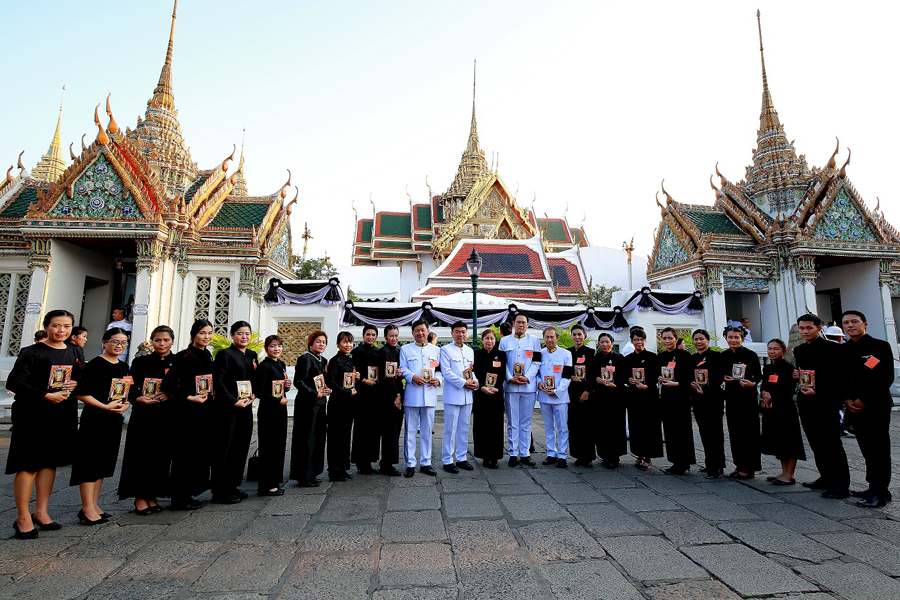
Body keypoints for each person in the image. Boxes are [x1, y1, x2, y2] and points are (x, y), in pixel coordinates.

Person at [6, 309, 80, 539]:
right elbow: (15, 382)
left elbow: (78, 376)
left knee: (50, 463)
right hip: (33, 413)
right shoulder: (32, 352)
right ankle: (22, 517)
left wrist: (75, 383)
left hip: (61, 413)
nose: (61, 331)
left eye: (67, 326)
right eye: (56, 325)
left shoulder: (74, 350)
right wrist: (44, 395)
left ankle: (41, 511)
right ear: (47, 327)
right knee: (28, 464)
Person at [70, 327, 131, 524]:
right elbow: (80, 392)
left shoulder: (123, 367)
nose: (119, 346)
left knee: (103, 463)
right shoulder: (95, 364)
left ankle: (94, 504)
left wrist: (126, 405)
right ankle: (87, 508)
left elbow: (126, 394)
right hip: (95, 420)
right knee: (90, 462)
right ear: (104, 342)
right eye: (115, 342)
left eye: (123, 343)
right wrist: (104, 406)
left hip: (113, 420)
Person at [118, 325, 176, 514]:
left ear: (172, 341)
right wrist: (136, 398)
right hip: (144, 415)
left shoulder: (176, 362)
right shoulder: (141, 362)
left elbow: (183, 386)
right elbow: (129, 386)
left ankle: (152, 495)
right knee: (141, 455)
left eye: (166, 340)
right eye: (157, 340)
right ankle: (139, 497)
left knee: (160, 456)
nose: (162, 343)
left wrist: (170, 395)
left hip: (166, 415)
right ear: (152, 341)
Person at [840, 310, 894, 507]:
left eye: (855, 321)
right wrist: (846, 399)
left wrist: (865, 399)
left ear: (865, 324)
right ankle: (874, 486)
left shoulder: (879, 347)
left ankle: (880, 491)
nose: (850, 325)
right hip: (854, 406)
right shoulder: (843, 350)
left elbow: (885, 376)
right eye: (846, 323)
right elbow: (842, 378)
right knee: (866, 448)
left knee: (879, 448)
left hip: (876, 404)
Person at [793, 313, 850, 498]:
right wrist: (798, 376)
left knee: (831, 443)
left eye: (809, 328)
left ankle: (841, 484)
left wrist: (819, 390)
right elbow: (805, 375)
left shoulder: (833, 349)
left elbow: (839, 377)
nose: (805, 331)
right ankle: (826, 477)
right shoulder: (800, 350)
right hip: (806, 401)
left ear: (819, 327)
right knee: (816, 442)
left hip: (826, 402)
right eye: (802, 328)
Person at [163, 319, 215, 510]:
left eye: (209, 333)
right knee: (183, 455)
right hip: (186, 412)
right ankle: (179, 497)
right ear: (194, 334)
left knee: (197, 455)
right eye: (203, 333)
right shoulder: (183, 357)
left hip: (204, 411)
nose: (207, 337)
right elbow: (168, 385)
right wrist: (188, 397)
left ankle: (189, 493)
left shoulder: (207, 354)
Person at [210, 321, 257, 503]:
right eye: (240, 333)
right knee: (226, 447)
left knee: (241, 446)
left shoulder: (252, 355)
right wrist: (233, 400)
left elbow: (254, 379)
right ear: (232, 335)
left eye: (247, 333)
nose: (244, 337)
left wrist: (253, 394)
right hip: (228, 409)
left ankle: (233, 485)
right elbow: (219, 382)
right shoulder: (225, 355)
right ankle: (220, 490)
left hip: (245, 406)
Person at [400, 319, 442, 477]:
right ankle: (410, 463)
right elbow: (402, 368)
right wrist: (412, 377)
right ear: (412, 333)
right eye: (417, 330)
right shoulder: (405, 349)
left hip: (429, 394)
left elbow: (439, 370)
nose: (420, 333)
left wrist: (438, 379)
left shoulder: (436, 350)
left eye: (423, 330)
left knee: (426, 431)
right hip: (412, 394)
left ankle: (426, 462)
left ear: (427, 331)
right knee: (410, 430)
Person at [760, 338, 804, 486]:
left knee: (788, 441)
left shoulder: (788, 369)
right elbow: (764, 384)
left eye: (776, 349)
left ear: (784, 351)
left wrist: (773, 396)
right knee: (778, 441)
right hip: (771, 409)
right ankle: (783, 471)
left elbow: (789, 389)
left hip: (784, 408)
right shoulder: (767, 368)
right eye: (770, 349)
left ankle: (790, 474)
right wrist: (764, 394)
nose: (772, 352)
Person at [720, 325, 762, 479]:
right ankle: (739, 464)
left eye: (736, 337)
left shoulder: (750, 355)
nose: (733, 340)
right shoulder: (724, 356)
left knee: (748, 432)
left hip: (747, 397)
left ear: (742, 339)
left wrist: (752, 383)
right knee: (735, 431)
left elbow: (757, 375)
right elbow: (720, 374)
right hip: (732, 396)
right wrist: (724, 377)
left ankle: (749, 467)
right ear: (726, 338)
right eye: (730, 337)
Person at [499, 314, 541, 467]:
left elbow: (537, 361)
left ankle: (525, 453)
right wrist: (509, 378)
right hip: (511, 386)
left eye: (524, 322)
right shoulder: (504, 341)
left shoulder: (534, 341)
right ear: (513, 324)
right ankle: (512, 452)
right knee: (512, 422)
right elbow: (501, 363)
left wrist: (528, 377)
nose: (521, 325)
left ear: (528, 324)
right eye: (518, 322)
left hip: (528, 387)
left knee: (526, 421)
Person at [290, 330, 330, 487]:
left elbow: (324, 382)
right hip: (307, 405)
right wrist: (314, 394)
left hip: (321, 404)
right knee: (307, 438)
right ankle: (304, 475)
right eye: (318, 341)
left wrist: (326, 389)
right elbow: (299, 382)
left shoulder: (323, 360)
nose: (321, 344)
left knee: (319, 437)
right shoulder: (305, 359)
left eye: (324, 342)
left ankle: (313, 472)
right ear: (311, 343)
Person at [620, 327, 662, 470]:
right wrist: (629, 379)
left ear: (645, 341)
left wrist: (648, 385)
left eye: (641, 339)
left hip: (649, 397)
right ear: (632, 341)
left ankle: (648, 457)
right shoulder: (627, 359)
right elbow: (623, 376)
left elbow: (658, 376)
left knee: (649, 427)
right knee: (636, 426)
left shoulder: (652, 357)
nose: (639, 342)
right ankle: (639, 453)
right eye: (636, 339)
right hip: (634, 398)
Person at [439, 321, 478, 474]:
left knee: (463, 428)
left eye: (463, 331)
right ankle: (447, 460)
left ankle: (461, 457)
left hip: (467, 396)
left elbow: (471, 370)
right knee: (450, 428)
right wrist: (464, 383)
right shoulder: (445, 350)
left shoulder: (469, 351)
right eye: (457, 331)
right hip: (453, 395)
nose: (460, 334)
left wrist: (475, 382)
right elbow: (447, 373)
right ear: (452, 333)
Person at [657, 327, 696, 475]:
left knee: (682, 431)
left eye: (670, 338)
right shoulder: (661, 357)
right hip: (666, 398)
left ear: (676, 339)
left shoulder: (685, 356)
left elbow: (690, 378)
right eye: (664, 338)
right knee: (670, 431)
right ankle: (674, 461)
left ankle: (684, 462)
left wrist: (678, 383)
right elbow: (658, 374)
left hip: (681, 398)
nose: (667, 341)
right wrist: (660, 378)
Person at [689, 329, 725, 478]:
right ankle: (710, 463)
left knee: (715, 433)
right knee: (704, 432)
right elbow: (688, 375)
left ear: (708, 340)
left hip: (713, 398)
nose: (698, 342)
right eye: (696, 339)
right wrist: (692, 384)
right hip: (698, 399)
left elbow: (719, 377)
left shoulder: (716, 357)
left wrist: (707, 389)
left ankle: (716, 467)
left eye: (701, 339)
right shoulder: (692, 358)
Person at [256, 335, 289, 496]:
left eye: (279, 346)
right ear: (266, 348)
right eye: (272, 346)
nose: (276, 349)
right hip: (269, 411)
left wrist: (286, 386)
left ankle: (275, 481)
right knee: (268, 448)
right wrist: (276, 401)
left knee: (279, 446)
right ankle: (266, 485)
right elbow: (260, 391)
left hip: (281, 410)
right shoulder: (264, 366)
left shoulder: (281, 364)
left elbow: (280, 388)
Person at [537, 327, 573, 468]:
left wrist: (557, 391)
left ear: (557, 338)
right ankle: (551, 452)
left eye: (552, 337)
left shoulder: (566, 354)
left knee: (562, 427)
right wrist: (538, 382)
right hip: (545, 396)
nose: (549, 340)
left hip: (560, 397)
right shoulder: (539, 353)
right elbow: (536, 372)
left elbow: (567, 375)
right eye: (547, 337)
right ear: (544, 338)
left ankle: (562, 455)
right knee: (548, 426)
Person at [326, 331, 359, 482]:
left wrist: (356, 377)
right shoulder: (334, 361)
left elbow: (348, 380)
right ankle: (334, 470)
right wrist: (344, 392)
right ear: (338, 344)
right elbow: (330, 381)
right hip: (337, 402)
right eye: (345, 342)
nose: (348, 345)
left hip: (349, 403)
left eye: (350, 342)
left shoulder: (350, 360)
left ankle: (343, 467)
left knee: (345, 436)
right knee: (335, 437)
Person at [473, 328, 506, 469]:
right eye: (486, 338)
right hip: (481, 394)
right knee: (482, 426)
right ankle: (484, 456)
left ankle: (495, 457)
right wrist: (481, 386)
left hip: (496, 394)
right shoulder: (476, 354)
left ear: (495, 340)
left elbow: (503, 372)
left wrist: (497, 387)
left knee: (496, 426)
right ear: (482, 340)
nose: (489, 341)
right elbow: (475, 372)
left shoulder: (501, 355)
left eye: (492, 338)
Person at [592, 332, 626, 468]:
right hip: (600, 397)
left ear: (612, 343)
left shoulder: (619, 358)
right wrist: (596, 379)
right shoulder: (595, 358)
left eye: (607, 342)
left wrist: (616, 384)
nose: (604, 344)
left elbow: (624, 376)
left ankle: (614, 456)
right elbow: (591, 374)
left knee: (615, 426)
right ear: (598, 344)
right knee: (601, 427)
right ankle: (604, 455)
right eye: (602, 342)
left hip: (615, 397)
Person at [351, 325, 381, 475]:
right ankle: (360, 462)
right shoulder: (356, 352)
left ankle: (369, 462)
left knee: (373, 429)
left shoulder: (378, 352)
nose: (370, 337)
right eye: (368, 334)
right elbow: (352, 372)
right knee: (361, 428)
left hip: (375, 395)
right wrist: (363, 380)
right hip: (361, 394)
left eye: (373, 335)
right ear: (363, 336)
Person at [566, 324, 597, 467]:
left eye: (580, 334)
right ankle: (577, 455)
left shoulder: (590, 353)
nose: (577, 337)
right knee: (573, 425)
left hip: (586, 394)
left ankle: (588, 456)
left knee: (587, 426)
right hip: (571, 394)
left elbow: (593, 375)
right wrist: (570, 377)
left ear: (584, 335)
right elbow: (564, 372)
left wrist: (588, 391)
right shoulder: (568, 352)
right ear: (571, 336)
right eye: (574, 334)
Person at [376, 325, 404, 476]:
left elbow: (400, 371)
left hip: (398, 391)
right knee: (389, 430)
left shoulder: (399, 351)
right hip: (388, 395)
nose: (394, 338)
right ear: (386, 337)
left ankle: (390, 462)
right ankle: (386, 464)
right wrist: (397, 395)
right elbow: (387, 377)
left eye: (396, 335)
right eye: (391, 336)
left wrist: (401, 372)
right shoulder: (383, 352)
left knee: (396, 430)